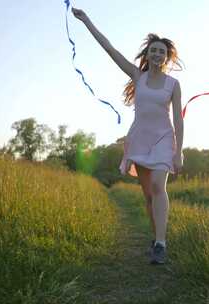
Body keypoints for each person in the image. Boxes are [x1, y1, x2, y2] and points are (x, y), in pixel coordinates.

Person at [72, 8, 184, 264]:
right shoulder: (138, 76)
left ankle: (161, 243)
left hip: (164, 139)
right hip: (139, 139)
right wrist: (87, 20)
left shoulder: (173, 85)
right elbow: (110, 50)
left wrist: (179, 150)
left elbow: (178, 118)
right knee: (147, 195)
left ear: (167, 57)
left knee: (158, 186)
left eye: (161, 52)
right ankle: (156, 235)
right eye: (153, 50)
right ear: (147, 55)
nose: (157, 54)